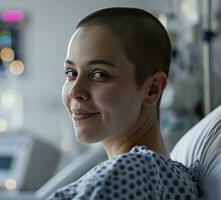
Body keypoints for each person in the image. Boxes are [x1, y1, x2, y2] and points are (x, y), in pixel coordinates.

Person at [48, 7, 204, 200]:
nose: (74, 91)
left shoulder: (133, 172)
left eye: (99, 74)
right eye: (71, 73)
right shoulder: (152, 174)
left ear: (152, 89)